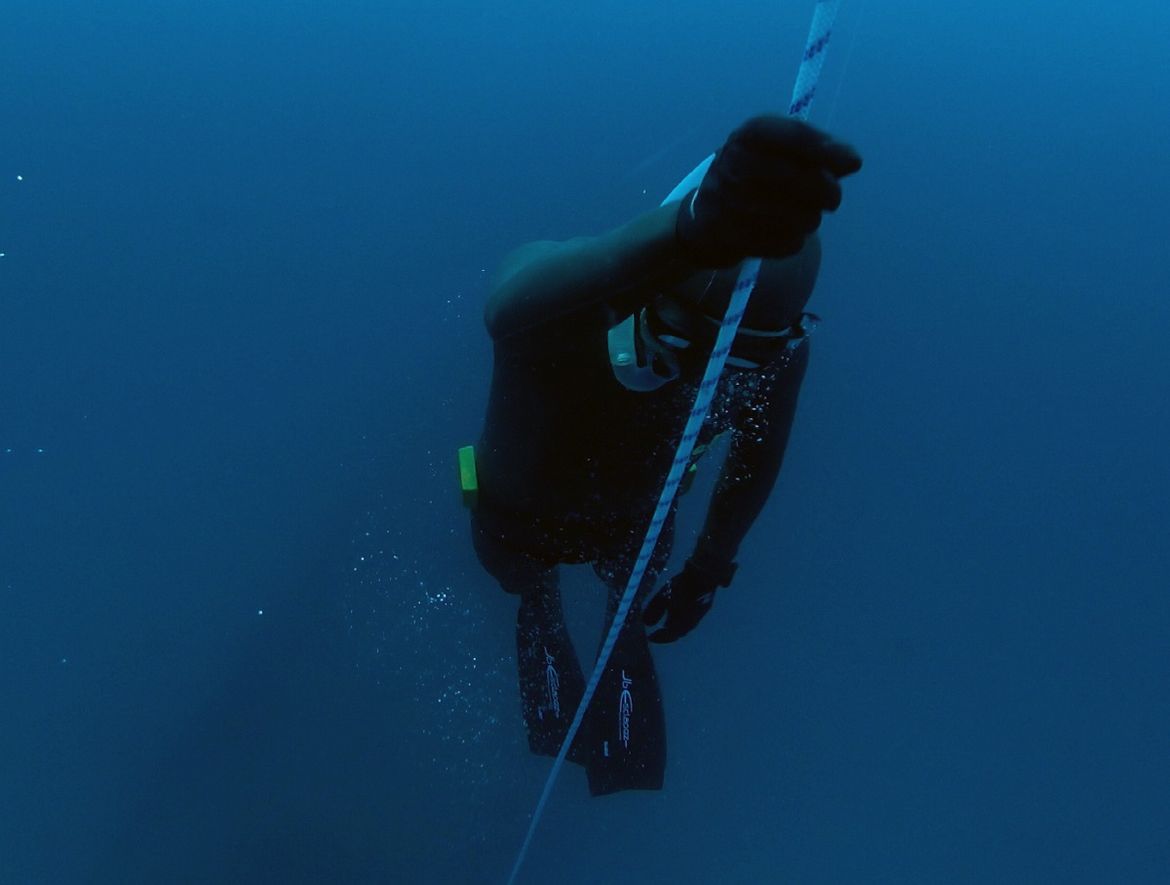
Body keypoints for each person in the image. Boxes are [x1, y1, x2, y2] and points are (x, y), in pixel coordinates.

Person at [467, 116, 862, 795]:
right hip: (519, 524)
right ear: (640, 296)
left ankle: (591, 625)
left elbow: (758, 452)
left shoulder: (773, 353)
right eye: (676, 347)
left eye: (735, 362)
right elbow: (508, 304)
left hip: (632, 525)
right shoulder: (572, 300)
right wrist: (683, 233)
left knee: (626, 582)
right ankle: (542, 604)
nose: (699, 378)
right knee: (528, 582)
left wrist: (709, 566)